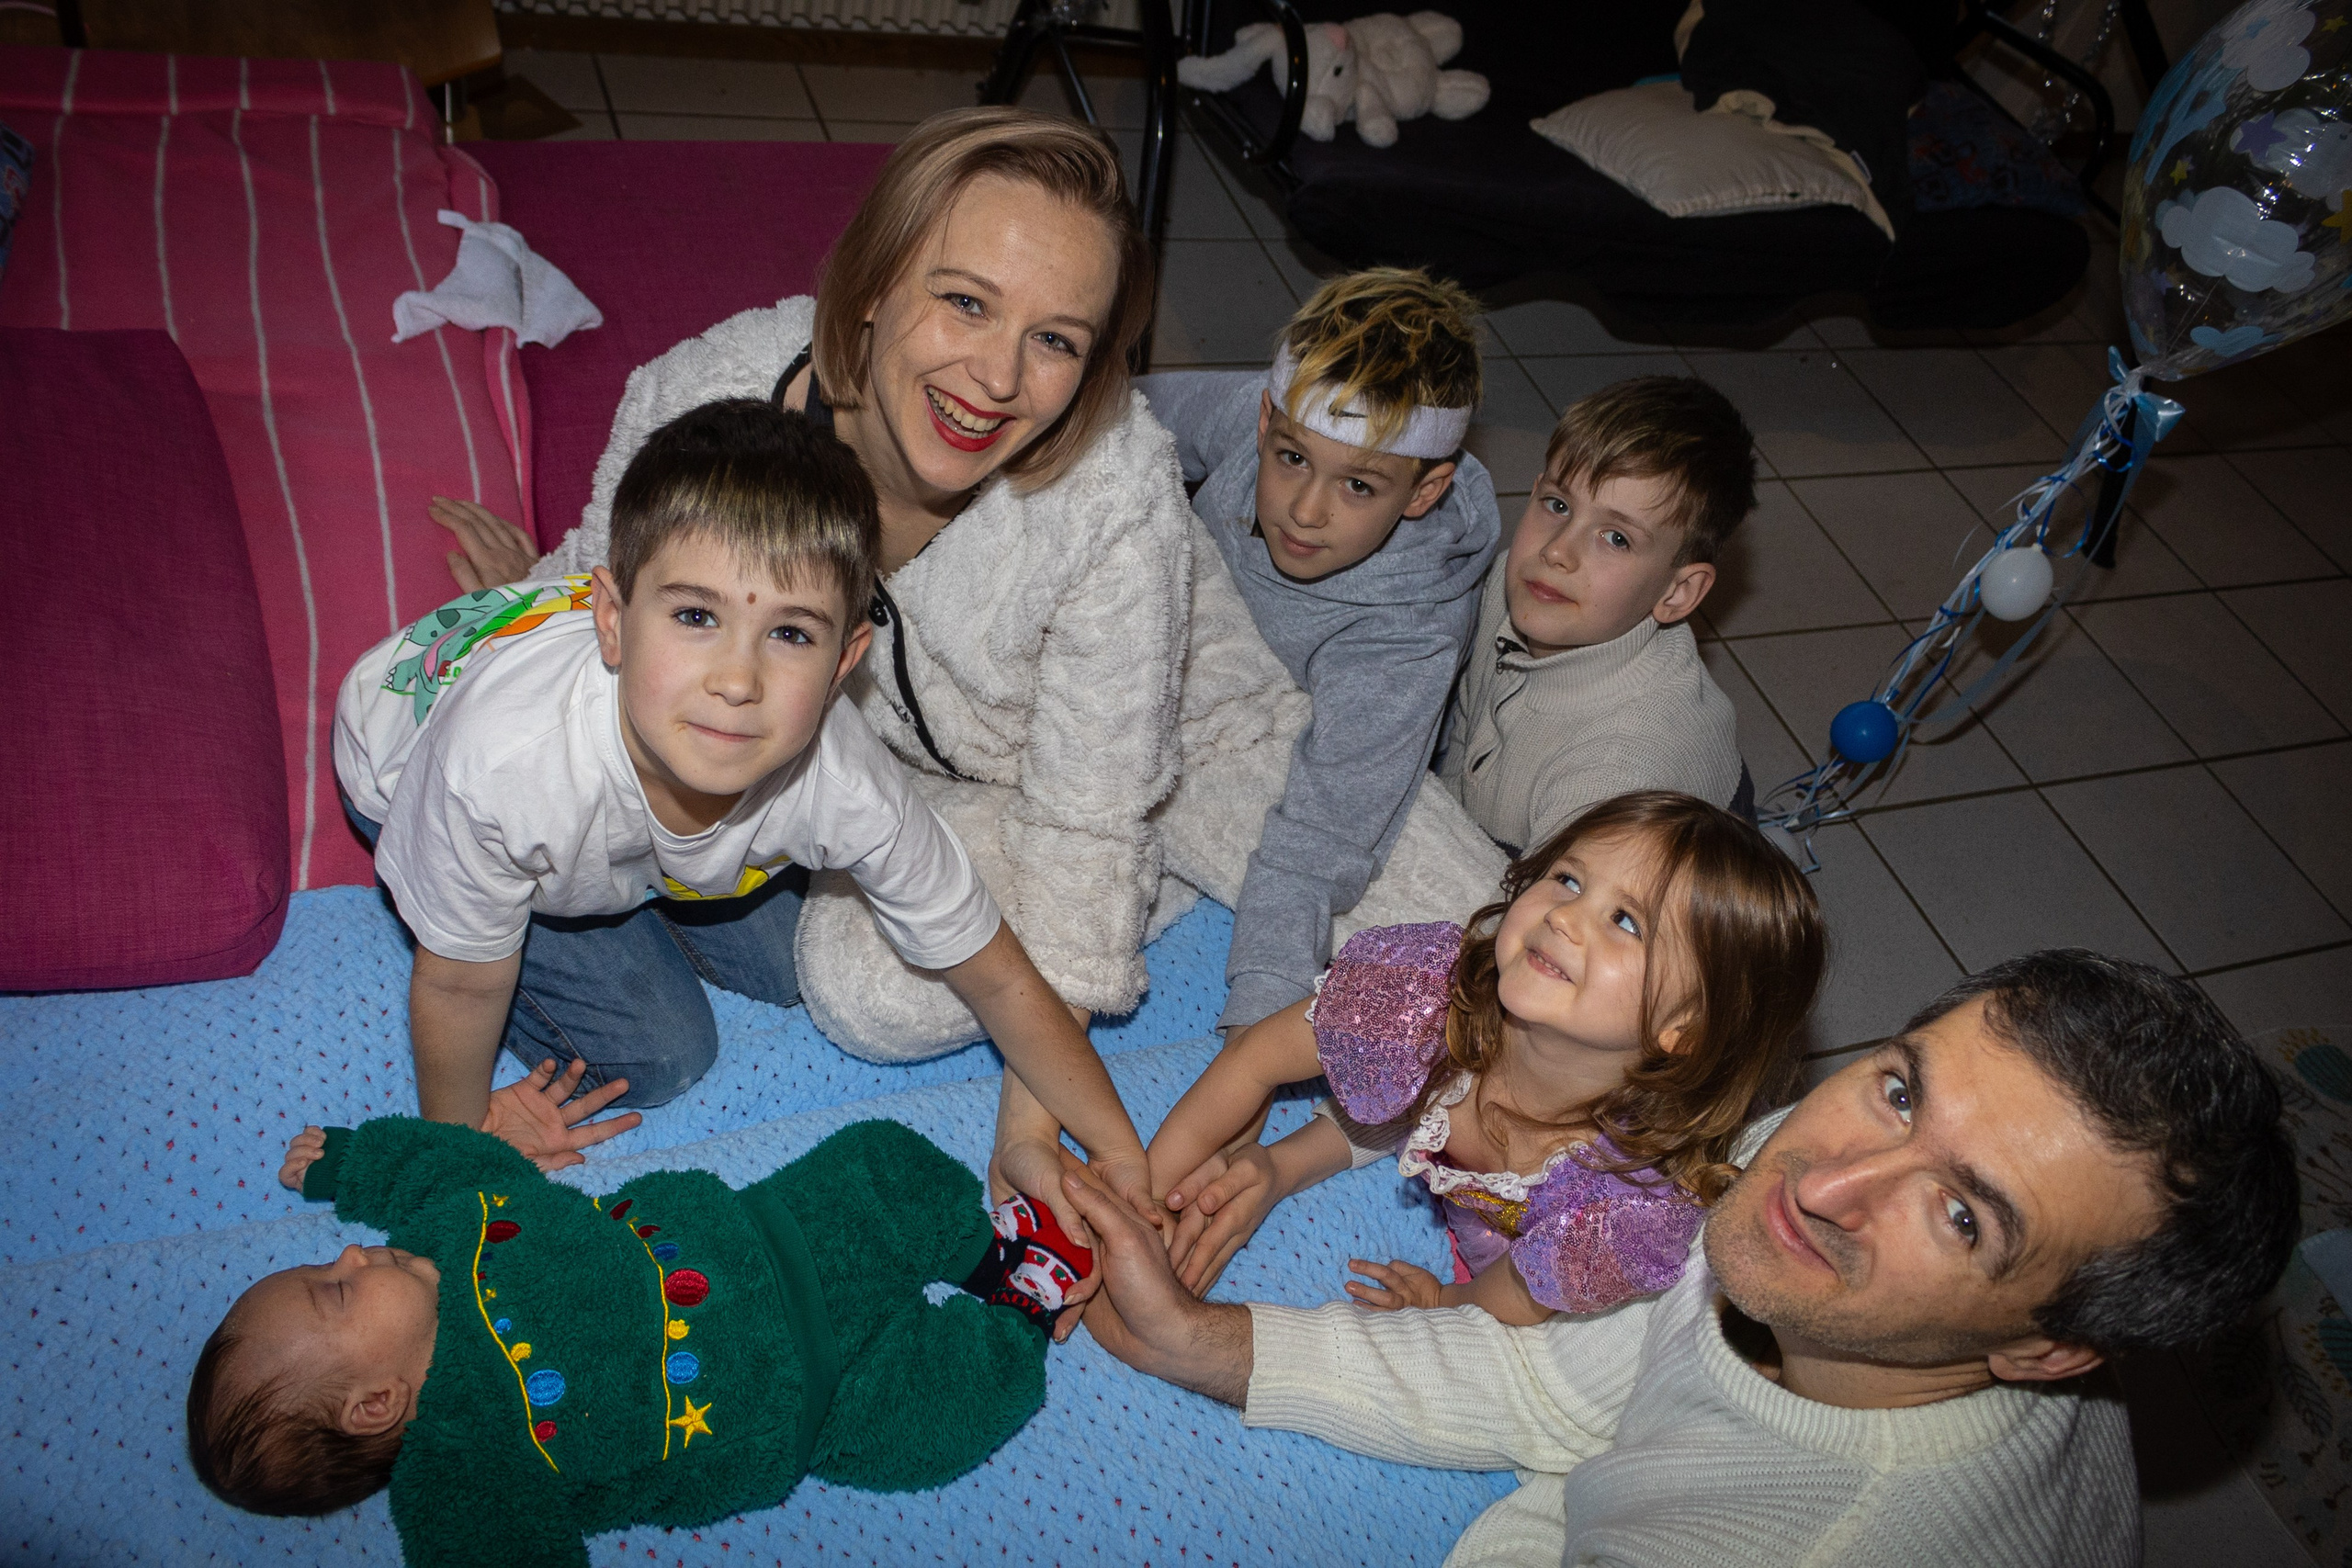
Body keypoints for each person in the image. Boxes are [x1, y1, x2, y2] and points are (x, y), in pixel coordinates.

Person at [427, 107, 1503, 1072]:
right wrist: (531, 599)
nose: (996, 379)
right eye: (964, 302)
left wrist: (1042, 1096)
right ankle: (1141, 873)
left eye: (1054, 340)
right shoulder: (705, 389)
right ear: (874, 282)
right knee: (869, 997)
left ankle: (1161, 872)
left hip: (1195, 733)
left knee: (1493, 954)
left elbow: (1090, 818)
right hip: (934, 775)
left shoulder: (1111, 486)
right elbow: (615, 592)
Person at [1070, 949, 2301, 1568]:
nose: (1823, 1180)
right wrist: (1202, 1340)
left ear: (2047, 1350)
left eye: (1963, 1216)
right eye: (1899, 1086)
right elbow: (1571, 1377)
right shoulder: (1813, 1193)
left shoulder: (1800, 1544)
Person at [334, 399, 1156, 1233]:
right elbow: (459, 981)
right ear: (613, 621)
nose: (737, 680)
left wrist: (1122, 1154)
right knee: (664, 1051)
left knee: (787, 965)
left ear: (845, 662)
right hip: (407, 746)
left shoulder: (840, 776)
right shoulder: (498, 770)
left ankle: (631, 750)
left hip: (606, 743)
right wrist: (459, 1150)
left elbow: (1000, 977)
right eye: (697, 616)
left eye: (790, 634)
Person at [184, 1064, 1097, 1566]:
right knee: (935, 1424)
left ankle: (987, 1254)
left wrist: (352, 1165)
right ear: (376, 1404)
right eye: (335, 1291)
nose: (349, 1256)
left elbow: (440, 1163)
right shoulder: (459, 1462)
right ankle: (1026, 1301)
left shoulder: (439, 1226)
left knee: (879, 1159)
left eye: (324, 1261)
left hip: (779, 1228)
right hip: (810, 1404)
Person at [1148, 793, 1823, 1321]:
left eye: (1626, 921)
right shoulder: (1421, 999)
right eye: (1568, 878)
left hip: (1521, 1279)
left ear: (1684, 1029)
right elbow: (1255, 1061)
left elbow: (1524, 1296)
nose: (1563, 916)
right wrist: (1148, 1192)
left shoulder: (1625, 1201)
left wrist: (1447, 1300)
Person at [1137, 268, 1502, 1035]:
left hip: (1310, 752)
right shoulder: (1279, 415)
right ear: (1267, 418)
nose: (1305, 509)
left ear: (1425, 492)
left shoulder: (1406, 637)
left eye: (1359, 487)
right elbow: (1136, 409)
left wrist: (1258, 1018)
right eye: (1291, 459)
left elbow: (1319, 839)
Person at [1443, 376, 1756, 856]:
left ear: (1678, 592)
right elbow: (1464, 729)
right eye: (1558, 505)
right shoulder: (1517, 584)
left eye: (1616, 538)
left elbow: (1546, 905)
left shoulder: (1619, 773)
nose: (1557, 550)